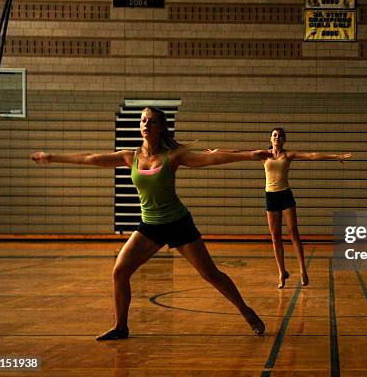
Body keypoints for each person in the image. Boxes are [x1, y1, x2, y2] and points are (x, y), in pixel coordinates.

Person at [31, 106, 268, 340]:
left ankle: (247, 312)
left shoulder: (173, 156)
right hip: (150, 226)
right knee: (120, 272)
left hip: (178, 224)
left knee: (211, 274)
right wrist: (52, 157)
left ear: (161, 127)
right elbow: (90, 158)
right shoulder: (130, 156)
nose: (145, 125)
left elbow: (211, 157)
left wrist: (249, 155)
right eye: (143, 120)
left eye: (151, 121)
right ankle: (121, 327)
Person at [208, 128, 352, 289]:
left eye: (280, 136)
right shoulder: (264, 155)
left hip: (285, 196)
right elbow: (238, 152)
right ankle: (281, 271)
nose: (277, 137)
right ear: (270, 139)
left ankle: (303, 270)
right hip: (271, 197)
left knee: (293, 233)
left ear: (284, 140)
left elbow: (311, 156)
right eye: (274, 135)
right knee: (275, 237)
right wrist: (216, 151)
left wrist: (335, 156)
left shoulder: (287, 155)